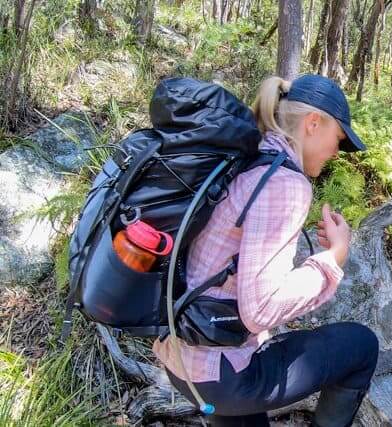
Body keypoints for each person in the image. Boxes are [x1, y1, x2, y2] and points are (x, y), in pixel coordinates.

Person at [152, 74, 379, 427]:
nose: (337, 152)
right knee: (361, 346)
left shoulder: (249, 158)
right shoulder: (285, 184)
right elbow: (262, 309)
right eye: (338, 139)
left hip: (182, 359)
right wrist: (332, 258)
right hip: (223, 374)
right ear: (313, 124)